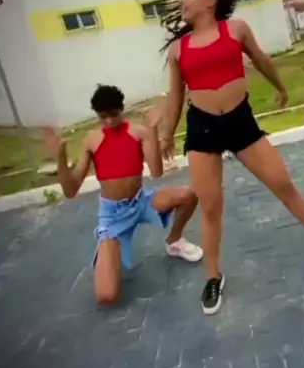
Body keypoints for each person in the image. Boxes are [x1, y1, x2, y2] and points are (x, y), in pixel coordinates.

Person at [158, 0, 304, 317]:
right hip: (203, 127)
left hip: (240, 121)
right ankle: (213, 276)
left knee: (282, 182)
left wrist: (280, 87)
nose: (183, 1)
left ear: (210, 1)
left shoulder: (236, 29)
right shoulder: (179, 49)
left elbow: (262, 60)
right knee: (211, 207)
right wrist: (166, 135)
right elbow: (175, 96)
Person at [42, 85, 202, 305]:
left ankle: (174, 241)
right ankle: (107, 247)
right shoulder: (91, 141)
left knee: (188, 195)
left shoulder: (138, 132)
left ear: (122, 109)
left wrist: (152, 130)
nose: (109, 121)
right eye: (103, 117)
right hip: (113, 215)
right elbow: (71, 191)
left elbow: (156, 172)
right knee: (107, 296)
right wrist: (60, 157)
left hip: (141, 201)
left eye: (113, 114)